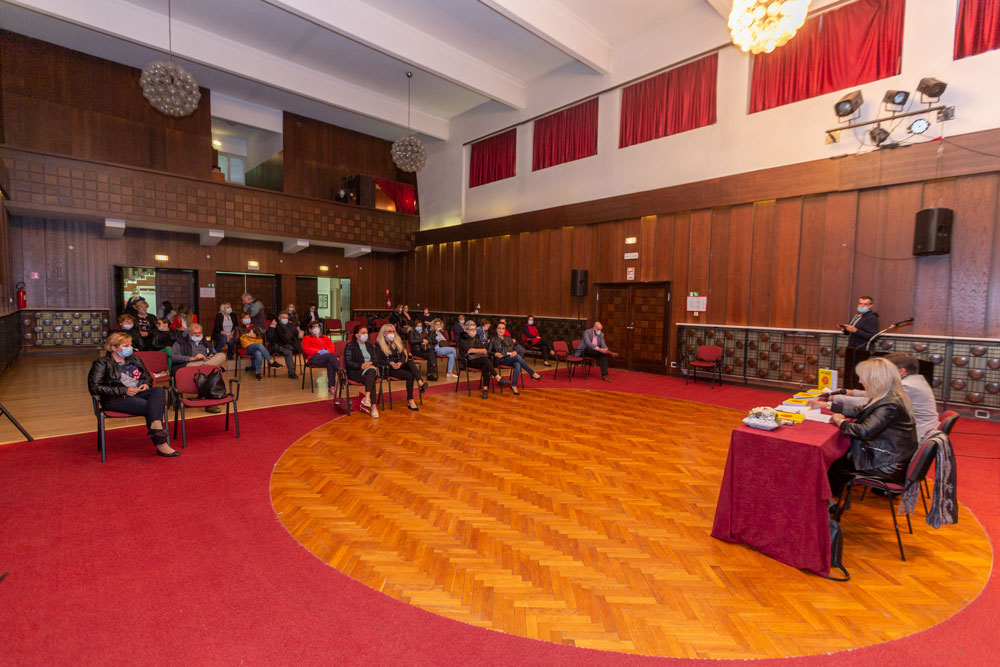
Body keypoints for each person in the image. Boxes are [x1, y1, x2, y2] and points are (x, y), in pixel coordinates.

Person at [826, 356, 918, 502]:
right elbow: (862, 410)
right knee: (840, 455)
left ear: (875, 379)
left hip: (887, 465)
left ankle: (828, 502)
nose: (860, 381)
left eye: (862, 378)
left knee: (834, 461)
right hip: (891, 457)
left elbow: (864, 431)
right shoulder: (891, 395)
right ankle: (832, 498)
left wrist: (840, 422)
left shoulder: (890, 403)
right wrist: (829, 406)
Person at [811, 352, 938, 444]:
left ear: (901, 371)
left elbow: (870, 403)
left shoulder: (905, 386)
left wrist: (836, 402)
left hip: (911, 439)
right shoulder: (914, 380)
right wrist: (850, 393)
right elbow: (876, 395)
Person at [87, 332, 178, 458]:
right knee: (150, 406)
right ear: (113, 347)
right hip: (116, 399)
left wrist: (146, 384)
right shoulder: (102, 363)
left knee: (158, 391)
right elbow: (94, 387)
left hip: (138, 392)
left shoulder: (135, 359)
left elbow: (147, 377)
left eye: (130, 345)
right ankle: (161, 444)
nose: (130, 348)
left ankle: (155, 425)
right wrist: (124, 390)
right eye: (126, 346)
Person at [375, 323, 425, 411]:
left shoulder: (396, 342)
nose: (392, 333)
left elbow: (403, 355)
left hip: (399, 365)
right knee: (409, 375)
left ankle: (420, 382)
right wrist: (390, 363)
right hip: (388, 368)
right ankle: (411, 399)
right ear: (384, 333)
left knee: (410, 362)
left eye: (393, 331)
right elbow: (378, 360)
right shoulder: (378, 344)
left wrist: (400, 363)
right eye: (389, 331)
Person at [458, 319, 508, 399]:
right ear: (466, 330)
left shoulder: (477, 338)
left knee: (485, 364)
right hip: (468, 361)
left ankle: (485, 389)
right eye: (471, 329)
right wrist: (478, 350)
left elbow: (485, 350)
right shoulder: (462, 339)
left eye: (474, 329)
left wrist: (475, 350)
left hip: (479, 360)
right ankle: (498, 377)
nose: (473, 331)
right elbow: (469, 351)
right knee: (485, 360)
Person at [489, 321, 542, 395]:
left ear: (505, 330)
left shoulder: (508, 338)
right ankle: (532, 373)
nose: (501, 330)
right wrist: (495, 354)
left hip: (510, 357)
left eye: (503, 329)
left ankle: (514, 385)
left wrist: (515, 351)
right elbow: (488, 352)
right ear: (496, 329)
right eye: (499, 328)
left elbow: (514, 348)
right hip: (501, 359)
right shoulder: (493, 339)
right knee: (517, 357)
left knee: (517, 363)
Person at [841, 295, 880, 390]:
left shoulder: (871, 318)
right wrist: (846, 330)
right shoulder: (857, 316)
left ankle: (858, 392)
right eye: (860, 303)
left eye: (865, 304)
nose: (862, 306)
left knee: (859, 375)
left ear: (870, 306)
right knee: (850, 374)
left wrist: (855, 330)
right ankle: (849, 391)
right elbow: (853, 332)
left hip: (862, 350)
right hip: (852, 349)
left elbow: (873, 337)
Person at [343, 324, 379, 418]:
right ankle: (373, 406)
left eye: (366, 332)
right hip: (356, 371)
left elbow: (376, 359)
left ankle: (367, 398)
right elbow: (348, 362)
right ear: (357, 335)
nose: (366, 334)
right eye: (363, 333)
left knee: (371, 372)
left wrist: (370, 363)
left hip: (370, 370)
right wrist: (361, 365)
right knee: (371, 379)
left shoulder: (370, 345)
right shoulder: (350, 345)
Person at [301, 321, 342, 393]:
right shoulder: (306, 338)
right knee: (331, 357)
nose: (316, 328)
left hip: (326, 357)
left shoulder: (325, 337)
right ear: (310, 330)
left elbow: (332, 347)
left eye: (317, 326)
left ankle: (331, 386)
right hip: (314, 357)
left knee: (330, 363)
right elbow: (306, 349)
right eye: (313, 327)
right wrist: (318, 351)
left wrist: (327, 351)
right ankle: (340, 372)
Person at [268, 310, 302, 380]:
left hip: (288, 345)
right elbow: (269, 337)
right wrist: (272, 326)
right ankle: (291, 373)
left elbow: (297, 335)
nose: (285, 319)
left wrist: (300, 334)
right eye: (283, 318)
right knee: (288, 350)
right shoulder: (275, 325)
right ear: (279, 318)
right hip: (277, 346)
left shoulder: (290, 326)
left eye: (286, 318)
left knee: (290, 348)